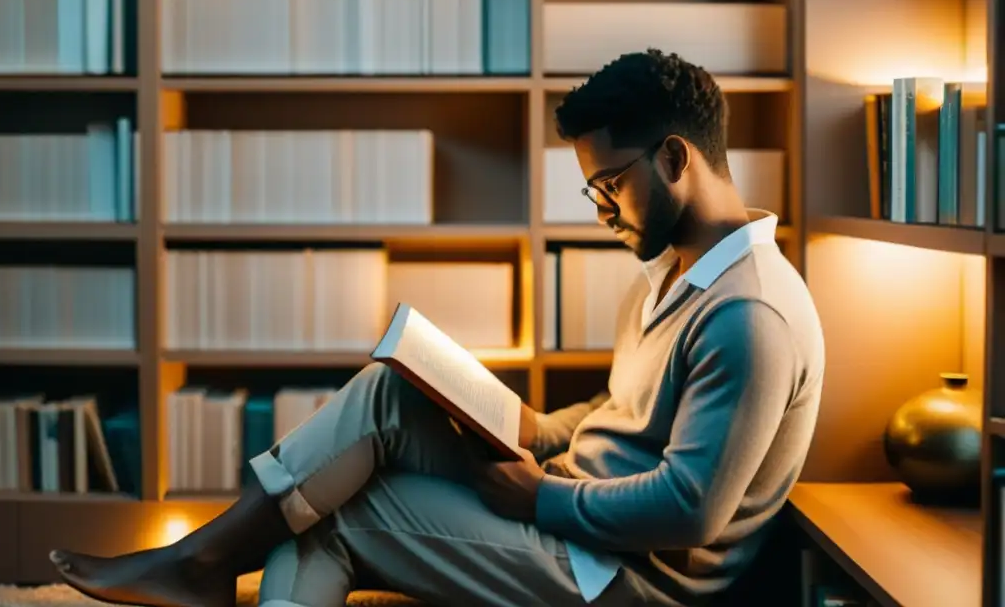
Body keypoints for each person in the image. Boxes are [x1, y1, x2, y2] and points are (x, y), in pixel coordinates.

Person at [49, 49, 825, 607]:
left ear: (676, 158)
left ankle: (198, 566)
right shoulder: (672, 275)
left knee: (339, 515)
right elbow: (626, 407)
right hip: (578, 503)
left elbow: (691, 508)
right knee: (391, 391)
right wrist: (537, 430)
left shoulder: (749, 315)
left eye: (610, 185)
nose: (600, 212)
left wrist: (540, 500)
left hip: (625, 576)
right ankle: (200, 560)